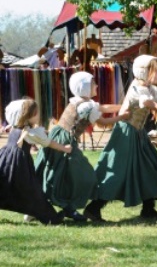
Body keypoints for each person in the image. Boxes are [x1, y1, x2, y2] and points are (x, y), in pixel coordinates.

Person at [83, 55, 157, 222]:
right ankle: (93, 209)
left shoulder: (150, 88)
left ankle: (148, 209)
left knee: (151, 168)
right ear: (144, 72)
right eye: (155, 70)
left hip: (138, 134)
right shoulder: (138, 90)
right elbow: (156, 106)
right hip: (125, 134)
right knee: (118, 173)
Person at [34, 72, 129, 222]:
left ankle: (62, 208)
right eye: (93, 83)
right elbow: (102, 122)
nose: (97, 85)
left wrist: (123, 106)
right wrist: (122, 117)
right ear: (84, 87)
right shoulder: (87, 106)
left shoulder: (79, 102)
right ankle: (61, 207)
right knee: (83, 176)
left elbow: (103, 107)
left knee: (57, 172)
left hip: (57, 135)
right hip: (66, 140)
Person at [0, 99, 72, 224]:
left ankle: (33, 213)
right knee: (32, 190)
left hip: (5, 159)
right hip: (19, 165)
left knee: (4, 184)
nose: (39, 115)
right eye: (37, 113)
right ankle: (50, 217)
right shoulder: (30, 132)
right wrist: (64, 148)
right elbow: (49, 143)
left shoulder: (14, 127)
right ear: (30, 115)